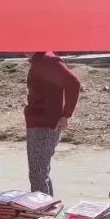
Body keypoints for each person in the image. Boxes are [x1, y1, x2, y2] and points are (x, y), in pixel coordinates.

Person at [24, 52, 81, 195]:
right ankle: (49, 206)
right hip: (37, 123)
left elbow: (73, 83)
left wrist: (66, 115)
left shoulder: (47, 60)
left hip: (45, 125)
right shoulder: (38, 60)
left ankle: (41, 208)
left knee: (38, 174)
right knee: (40, 172)